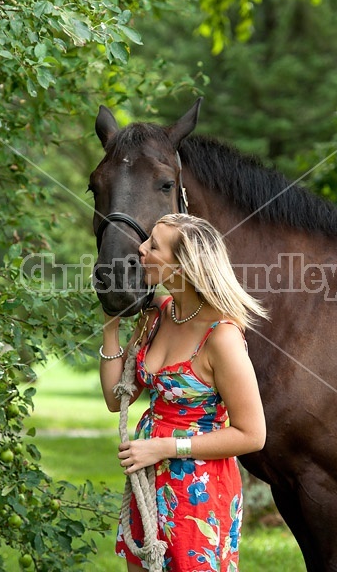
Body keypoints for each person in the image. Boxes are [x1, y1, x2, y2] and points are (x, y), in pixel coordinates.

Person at [99, 213, 267, 572]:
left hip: (198, 489)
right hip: (147, 477)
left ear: (182, 266)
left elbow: (253, 435)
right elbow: (116, 400)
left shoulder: (221, 338)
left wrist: (164, 447)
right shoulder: (158, 314)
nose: (140, 249)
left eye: (153, 246)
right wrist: (110, 331)